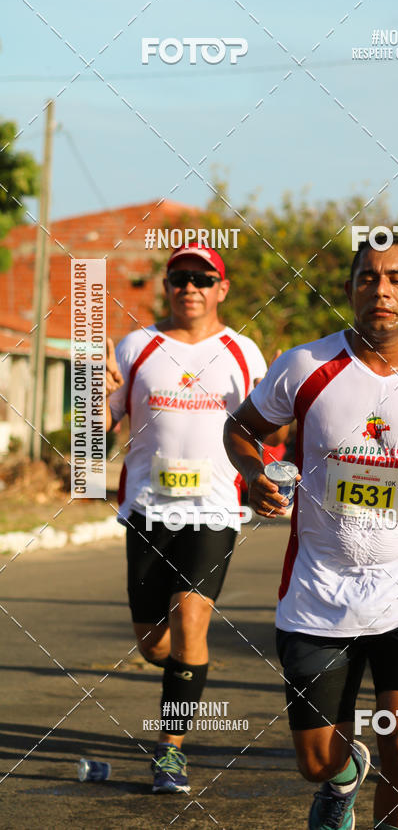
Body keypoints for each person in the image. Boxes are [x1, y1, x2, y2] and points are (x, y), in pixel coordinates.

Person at [224, 236, 398, 830]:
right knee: (316, 762)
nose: (382, 290)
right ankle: (344, 778)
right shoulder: (305, 365)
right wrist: (256, 471)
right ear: (349, 288)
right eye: (368, 277)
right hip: (318, 590)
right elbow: (240, 430)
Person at [106, 242, 284, 793]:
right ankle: (184, 676)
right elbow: (103, 418)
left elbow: (267, 426)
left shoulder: (243, 350)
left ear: (221, 289)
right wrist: (92, 389)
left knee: (191, 624)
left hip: (213, 509)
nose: (191, 288)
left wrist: (264, 474)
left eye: (203, 279)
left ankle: (170, 750)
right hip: (146, 507)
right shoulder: (136, 345)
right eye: (180, 277)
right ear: (166, 285)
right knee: (152, 643)